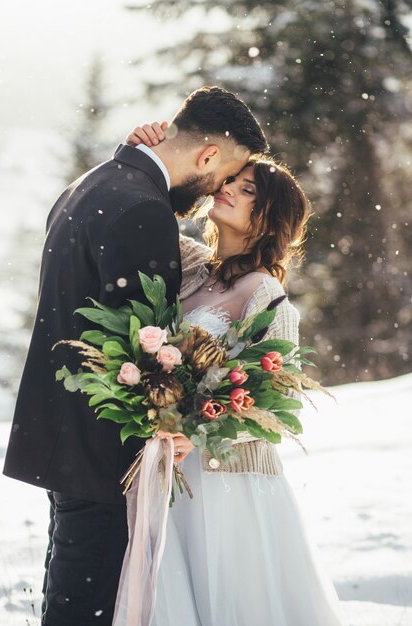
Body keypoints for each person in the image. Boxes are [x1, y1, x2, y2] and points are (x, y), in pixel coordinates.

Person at [2, 86, 267, 625]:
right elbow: (145, 347)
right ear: (209, 156)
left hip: (62, 431)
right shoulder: (141, 209)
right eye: (225, 174)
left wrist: (140, 153)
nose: (218, 188)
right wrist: (166, 420)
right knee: (89, 606)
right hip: (103, 446)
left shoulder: (95, 183)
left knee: (71, 588)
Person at [119, 123, 347, 625]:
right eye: (231, 181)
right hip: (171, 473)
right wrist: (143, 149)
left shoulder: (267, 295)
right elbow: (152, 205)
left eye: (247, 191)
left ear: (268, 221)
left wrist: (196, 436)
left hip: (230, 487)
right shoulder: (196, 267)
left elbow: (273, 407)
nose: (227, 189)